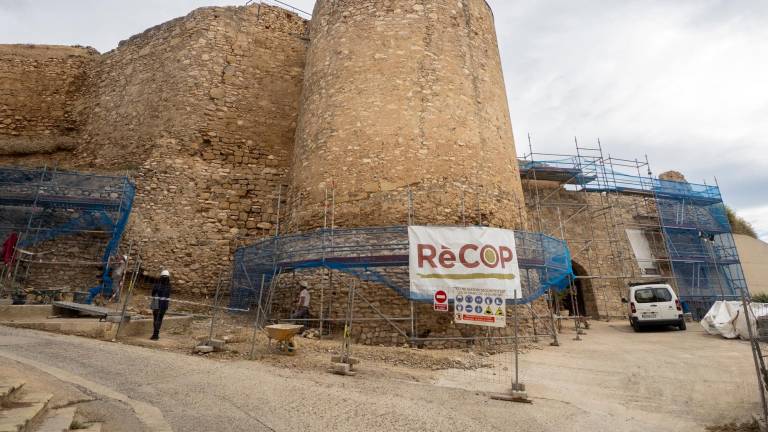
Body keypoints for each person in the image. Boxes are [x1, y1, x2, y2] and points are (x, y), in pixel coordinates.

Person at [150, 269, 172, 340]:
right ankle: (156, 334)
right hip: (164, 305)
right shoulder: (169, 287)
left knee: (156, 319)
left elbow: (153, 294)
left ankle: (155, 334)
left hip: (156, 304)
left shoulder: (157, 285)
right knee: (159, 319)